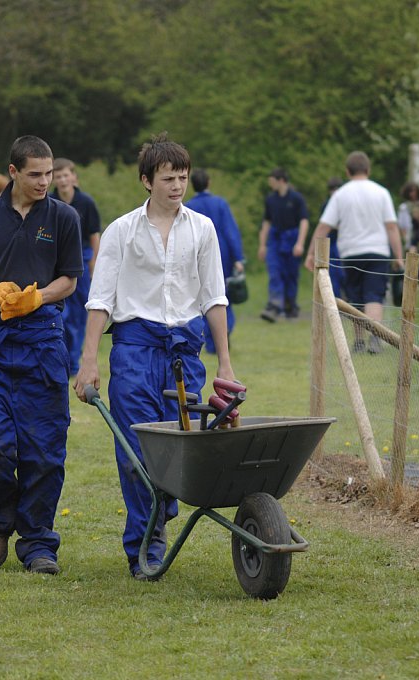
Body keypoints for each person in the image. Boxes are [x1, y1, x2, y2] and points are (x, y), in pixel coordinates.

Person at [74, 133, 236, 580]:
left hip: (184, 353)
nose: (177, 185)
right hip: (134, 349)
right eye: (168, 178)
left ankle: (160, 510)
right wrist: (89, 361)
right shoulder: (121, 232)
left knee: (177, 448)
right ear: (147, 180)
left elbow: (214, 298)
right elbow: (100, 300)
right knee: (134, 450)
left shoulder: (202, 228)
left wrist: (225, 363)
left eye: (182, 177)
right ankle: (144, 545)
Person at [0, 135, 83, 575]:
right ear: (13, 172)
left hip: (43, 341)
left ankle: (39, 543)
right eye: (35, 174)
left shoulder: (64, 217)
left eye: (49, 174)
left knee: (44, 449)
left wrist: (38, 297)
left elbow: (70, 280)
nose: (46, 181)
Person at [303, 151, 403, 354]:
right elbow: (392, 227)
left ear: (347, 171)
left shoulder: (341, 194)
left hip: (351, 253)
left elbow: (324, 227)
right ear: (368, 169)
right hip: (378, 252)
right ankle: (375, 338)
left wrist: (310, 253)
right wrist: (399, 256)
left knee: (355, 298)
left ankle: (358, 341)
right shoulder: (381, 192)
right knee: (374, 294)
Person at [50, 157, 102, 375]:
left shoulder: (86, 203)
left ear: (74, 177)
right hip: (55, 262)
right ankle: (58, 359)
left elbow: (94, 235)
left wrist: (94, 265)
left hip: (81, 259)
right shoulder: (48, 202)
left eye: (66, 175)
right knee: (60, 314)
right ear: (53, 179)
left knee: (79, 316)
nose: (62, 180)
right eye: (58, 176)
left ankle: (73, 362)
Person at [185, 168, 244, 354]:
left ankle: (210, 341)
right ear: (209, 182)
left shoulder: (187, 207)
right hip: (222, 253)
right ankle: (224, 331)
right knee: (221, 296)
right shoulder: (220, 203)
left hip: (195, 255)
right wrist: (238, 258)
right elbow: (230, 232)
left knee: (202, 299)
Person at [258, 167, 310, 321]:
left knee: (290, 275)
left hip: (292, 238)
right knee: (274, 271)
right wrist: (262, 245)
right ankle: (274, 306)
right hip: (275, 239)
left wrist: (300, 243)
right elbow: (266, 222)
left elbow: (304, 221)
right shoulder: (270, 200)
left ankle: (290, 305)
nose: (270, 185)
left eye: (272, 181)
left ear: (281, 181)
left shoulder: (296, 198)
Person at [320, 176, 345, 296]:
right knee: (333, 274)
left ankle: (348, 299)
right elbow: (325, 225)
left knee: (344, 274)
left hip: (345, 243)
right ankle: (336, 300)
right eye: (332, 189)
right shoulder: (326, 205)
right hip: (331, 243)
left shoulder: (346, 203)